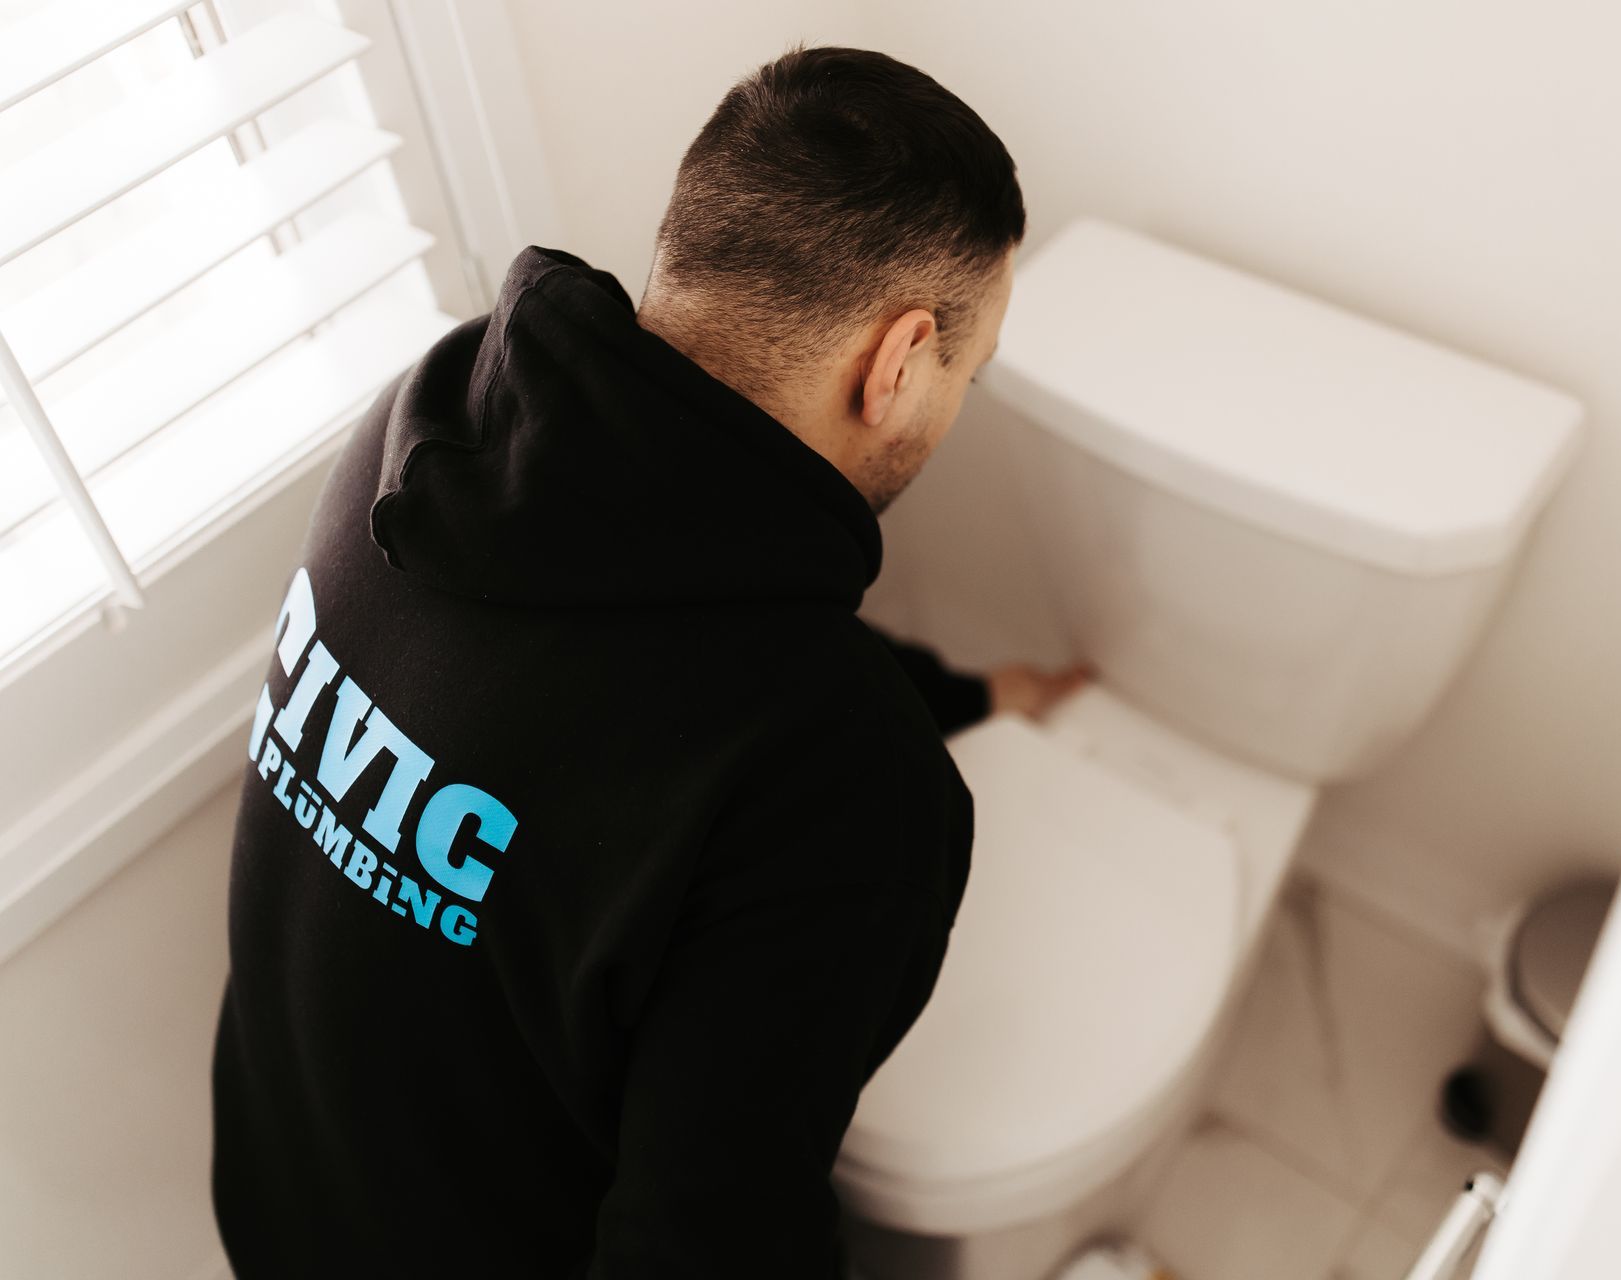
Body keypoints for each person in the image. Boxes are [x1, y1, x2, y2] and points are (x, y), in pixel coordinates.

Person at [209, 42, 1085, 1279]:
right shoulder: (849, 782)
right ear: (895, 363)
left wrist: (974, 694)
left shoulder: (439, 423)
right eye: (966, 372)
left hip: (277, 1192)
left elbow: (682, 632)